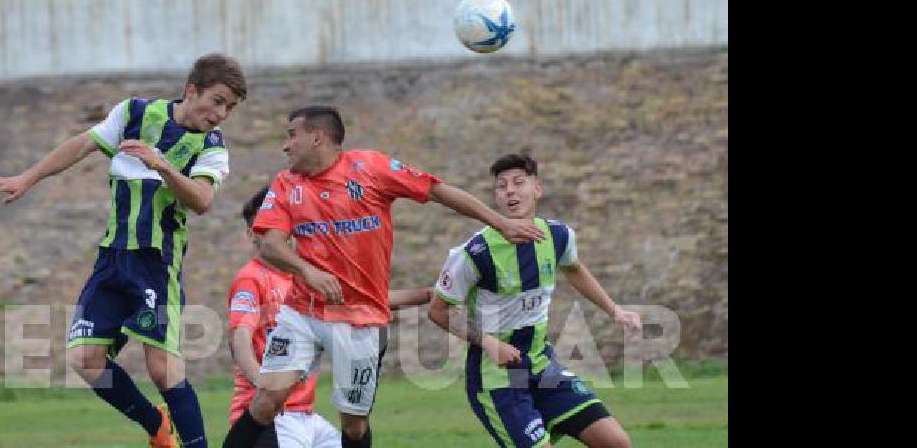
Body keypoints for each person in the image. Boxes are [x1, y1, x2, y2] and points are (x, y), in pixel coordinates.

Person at [222, 106, 544, 448]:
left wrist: (501, 222)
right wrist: (307, 271)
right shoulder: (287, 184)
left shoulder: (370, 168)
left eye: (292, 136)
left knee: (355, 426)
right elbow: (270, 244)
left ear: (316, 137)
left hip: (361, 321)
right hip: (303, 312)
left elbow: (436, 190)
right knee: (264, 403)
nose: (286, 146)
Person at [0, 53, 247, 448]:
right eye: (218, 101)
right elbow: (84, 144)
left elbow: (202, 200)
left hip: (157, 263)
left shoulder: (211, 145)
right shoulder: (135, 112)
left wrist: (164, 167)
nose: (222, 114)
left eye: (231, 107)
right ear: (192, 90)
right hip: (112, 258)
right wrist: (27, 178)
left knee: (163, 369)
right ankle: (156, 426)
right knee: (85, 361)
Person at [427, 153, 641, 448]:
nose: (510, 191)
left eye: (518, 183)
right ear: (496, 197)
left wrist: (615, 310)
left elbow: (574, 268)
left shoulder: (557, 236)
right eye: (502, 186)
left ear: (537, 188)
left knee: (617, 442)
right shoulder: (473, 253)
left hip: (542, 367)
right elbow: (438, 311)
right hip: (499, 379)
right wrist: (490, 342)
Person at [228, 186, 433, 448]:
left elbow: (364, 301)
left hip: (305, 415)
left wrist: (427, 295)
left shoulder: (305, 277)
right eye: (264, 227)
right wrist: (260, 382)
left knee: (354, 433)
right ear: (251, 235)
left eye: (281, 224)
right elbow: (239, 336)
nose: (277, 234)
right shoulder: (251, 278)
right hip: (272, 416)